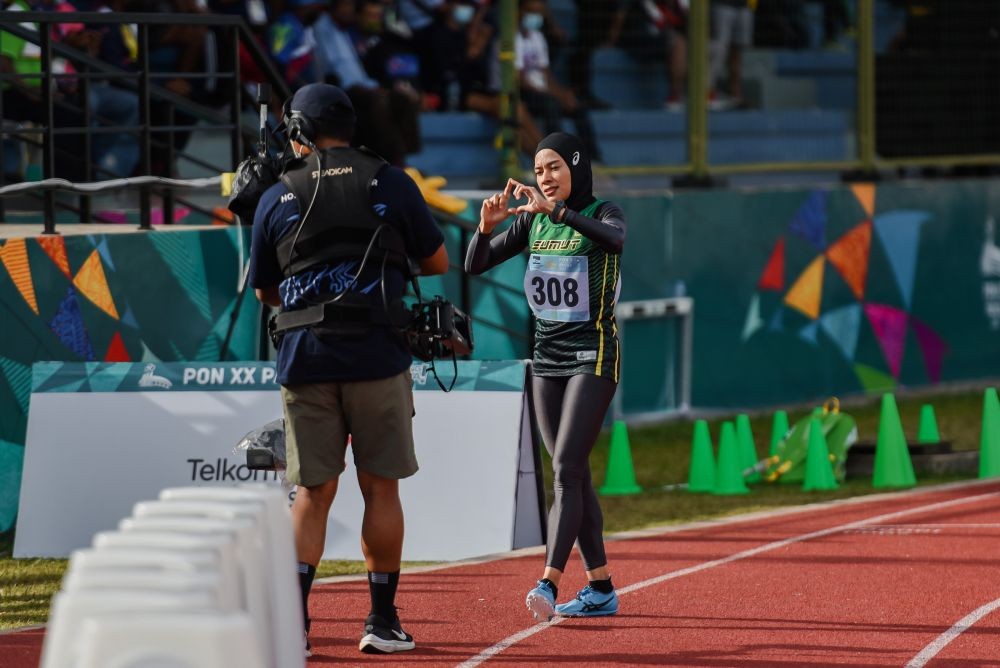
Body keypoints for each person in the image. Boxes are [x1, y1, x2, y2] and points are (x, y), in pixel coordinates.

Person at [248, 83, 449, 656]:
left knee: (312, 494)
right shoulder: (389, 180)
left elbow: (266, 290)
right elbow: (436, 260)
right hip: (377, 356)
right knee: (380, 489)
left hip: (306, 358)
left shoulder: (277, 194)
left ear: (300, 133)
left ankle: (295, 629)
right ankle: (382, 623)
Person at [465, 131, 625, 621]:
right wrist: (484, 227)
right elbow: (475, 265)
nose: (545, 178)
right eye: (538, 170)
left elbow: (616, 241)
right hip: (547, 359)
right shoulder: (532, 223)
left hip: (592, 355)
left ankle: (548, 583)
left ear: (576, 165)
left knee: (565, 471)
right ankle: (601, 587)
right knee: (571, 471)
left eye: (554, 166)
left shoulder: (602, 212)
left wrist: (558, 213)